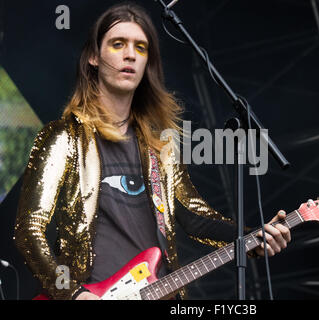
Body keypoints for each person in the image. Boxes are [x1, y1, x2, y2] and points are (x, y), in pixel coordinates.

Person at [14, 2, 291, 300]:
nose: (130, 54)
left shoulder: (160, 146)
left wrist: (252, 236)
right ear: (94, 57)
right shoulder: (64, 137)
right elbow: (29, 229)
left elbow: (194, 217)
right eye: (117, 44)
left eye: (141, 48)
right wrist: (73, 293)